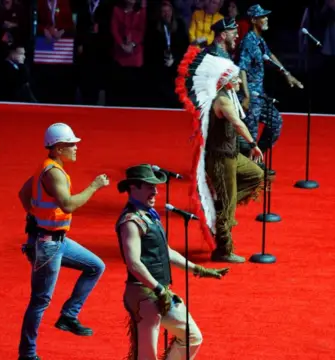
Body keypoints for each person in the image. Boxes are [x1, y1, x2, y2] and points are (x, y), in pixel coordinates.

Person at [116, 164, 230, 359]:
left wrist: (198, 269)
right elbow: (134, 263)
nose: (155, 191)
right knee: (146, 356)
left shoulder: (150, 216)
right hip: (144, 294)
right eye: (149, 186)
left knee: (192, 336)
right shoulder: (130, 222)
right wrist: (159, 289)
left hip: (159, 292)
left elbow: (166, 252)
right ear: (133, 188)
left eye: (155, 186)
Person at [16, 123, 108, 360]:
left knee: (96, 266)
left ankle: (68, 315)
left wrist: (35, 216)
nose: (76, 148)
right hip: (48, 245)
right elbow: (68, 204)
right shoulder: (54, 172)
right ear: (57, 148)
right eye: (71, 145)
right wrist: (94, 186)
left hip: (54, 240)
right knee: (40, 301)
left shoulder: (47, 168)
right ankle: (27, 354)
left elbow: (23, 194)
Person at [176, 46, 266, 263]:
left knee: (257, 175)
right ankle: (223, 250)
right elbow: (236, 123)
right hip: (220, 158)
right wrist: (253, 143)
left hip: (231, 155)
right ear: (226, 81)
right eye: (235, 78)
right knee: (228, 202)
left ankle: (222, 207)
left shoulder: (229, 96)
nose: (238, 81)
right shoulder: (223, 100)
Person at [237, 4, 303, 173]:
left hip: (260, 95)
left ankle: (254, 160)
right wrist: (245, 95)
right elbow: (242, 68)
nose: (266, 19)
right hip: (251, 95)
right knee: (249, 134)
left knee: (275, 123)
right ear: (253, 20)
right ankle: (247, 168)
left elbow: (270, 56)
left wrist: (287, 74)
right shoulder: (248, 41)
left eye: (266, 16)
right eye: (262, 16)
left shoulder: (259, 40)